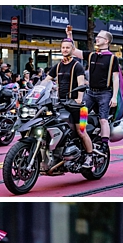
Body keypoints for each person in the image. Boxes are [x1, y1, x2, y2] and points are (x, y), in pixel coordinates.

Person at [66, 25, 120, 147]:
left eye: (100, 37)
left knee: (103, 119)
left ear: (106, 41)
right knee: (82, 115)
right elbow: (74, 51)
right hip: (90, 92)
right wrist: (69, 36)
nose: (97, 38)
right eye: (97, 36)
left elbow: (116, 78)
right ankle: (82, 135)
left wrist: (114, 97)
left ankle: (104, 145)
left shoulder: (112, 58)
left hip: (105, 93)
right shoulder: (92, 55)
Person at [45, 38, 92, 167]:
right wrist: (35, 91)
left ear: (72, 49)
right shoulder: (58, 65)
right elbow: (46, 81)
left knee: (81, 131)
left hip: (79, 107)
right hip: (62, 103)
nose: (65, 49)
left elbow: (81, 84)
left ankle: (89, 156)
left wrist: (79, 99)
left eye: (67, 47)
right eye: (63, 47)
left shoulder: (78, 66)